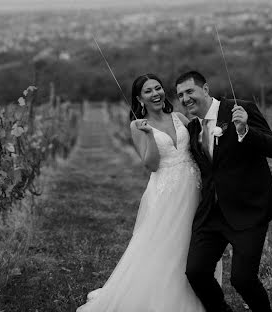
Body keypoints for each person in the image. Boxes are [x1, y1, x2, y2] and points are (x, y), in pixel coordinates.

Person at [77, 73, 213, 312]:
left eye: (158, 88)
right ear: (140, 99)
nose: (156, 94)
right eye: (148, 91)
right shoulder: (137, 126)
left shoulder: (180, 117)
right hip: (166, 192)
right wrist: (150, 135)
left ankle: (202, 294)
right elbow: (151, 165)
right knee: (165, 245)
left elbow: (200, 149)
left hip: (194, 187)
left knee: (194, 244)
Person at [176, 70, 272, 312]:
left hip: (248, 209)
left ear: (205, 89)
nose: (185, 98)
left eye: (189, 91)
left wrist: (245, 130)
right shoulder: (194, 129)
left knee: (242, 279)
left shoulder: (240, 109)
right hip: (212, 214)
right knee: (196, 272)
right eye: (180, 95)